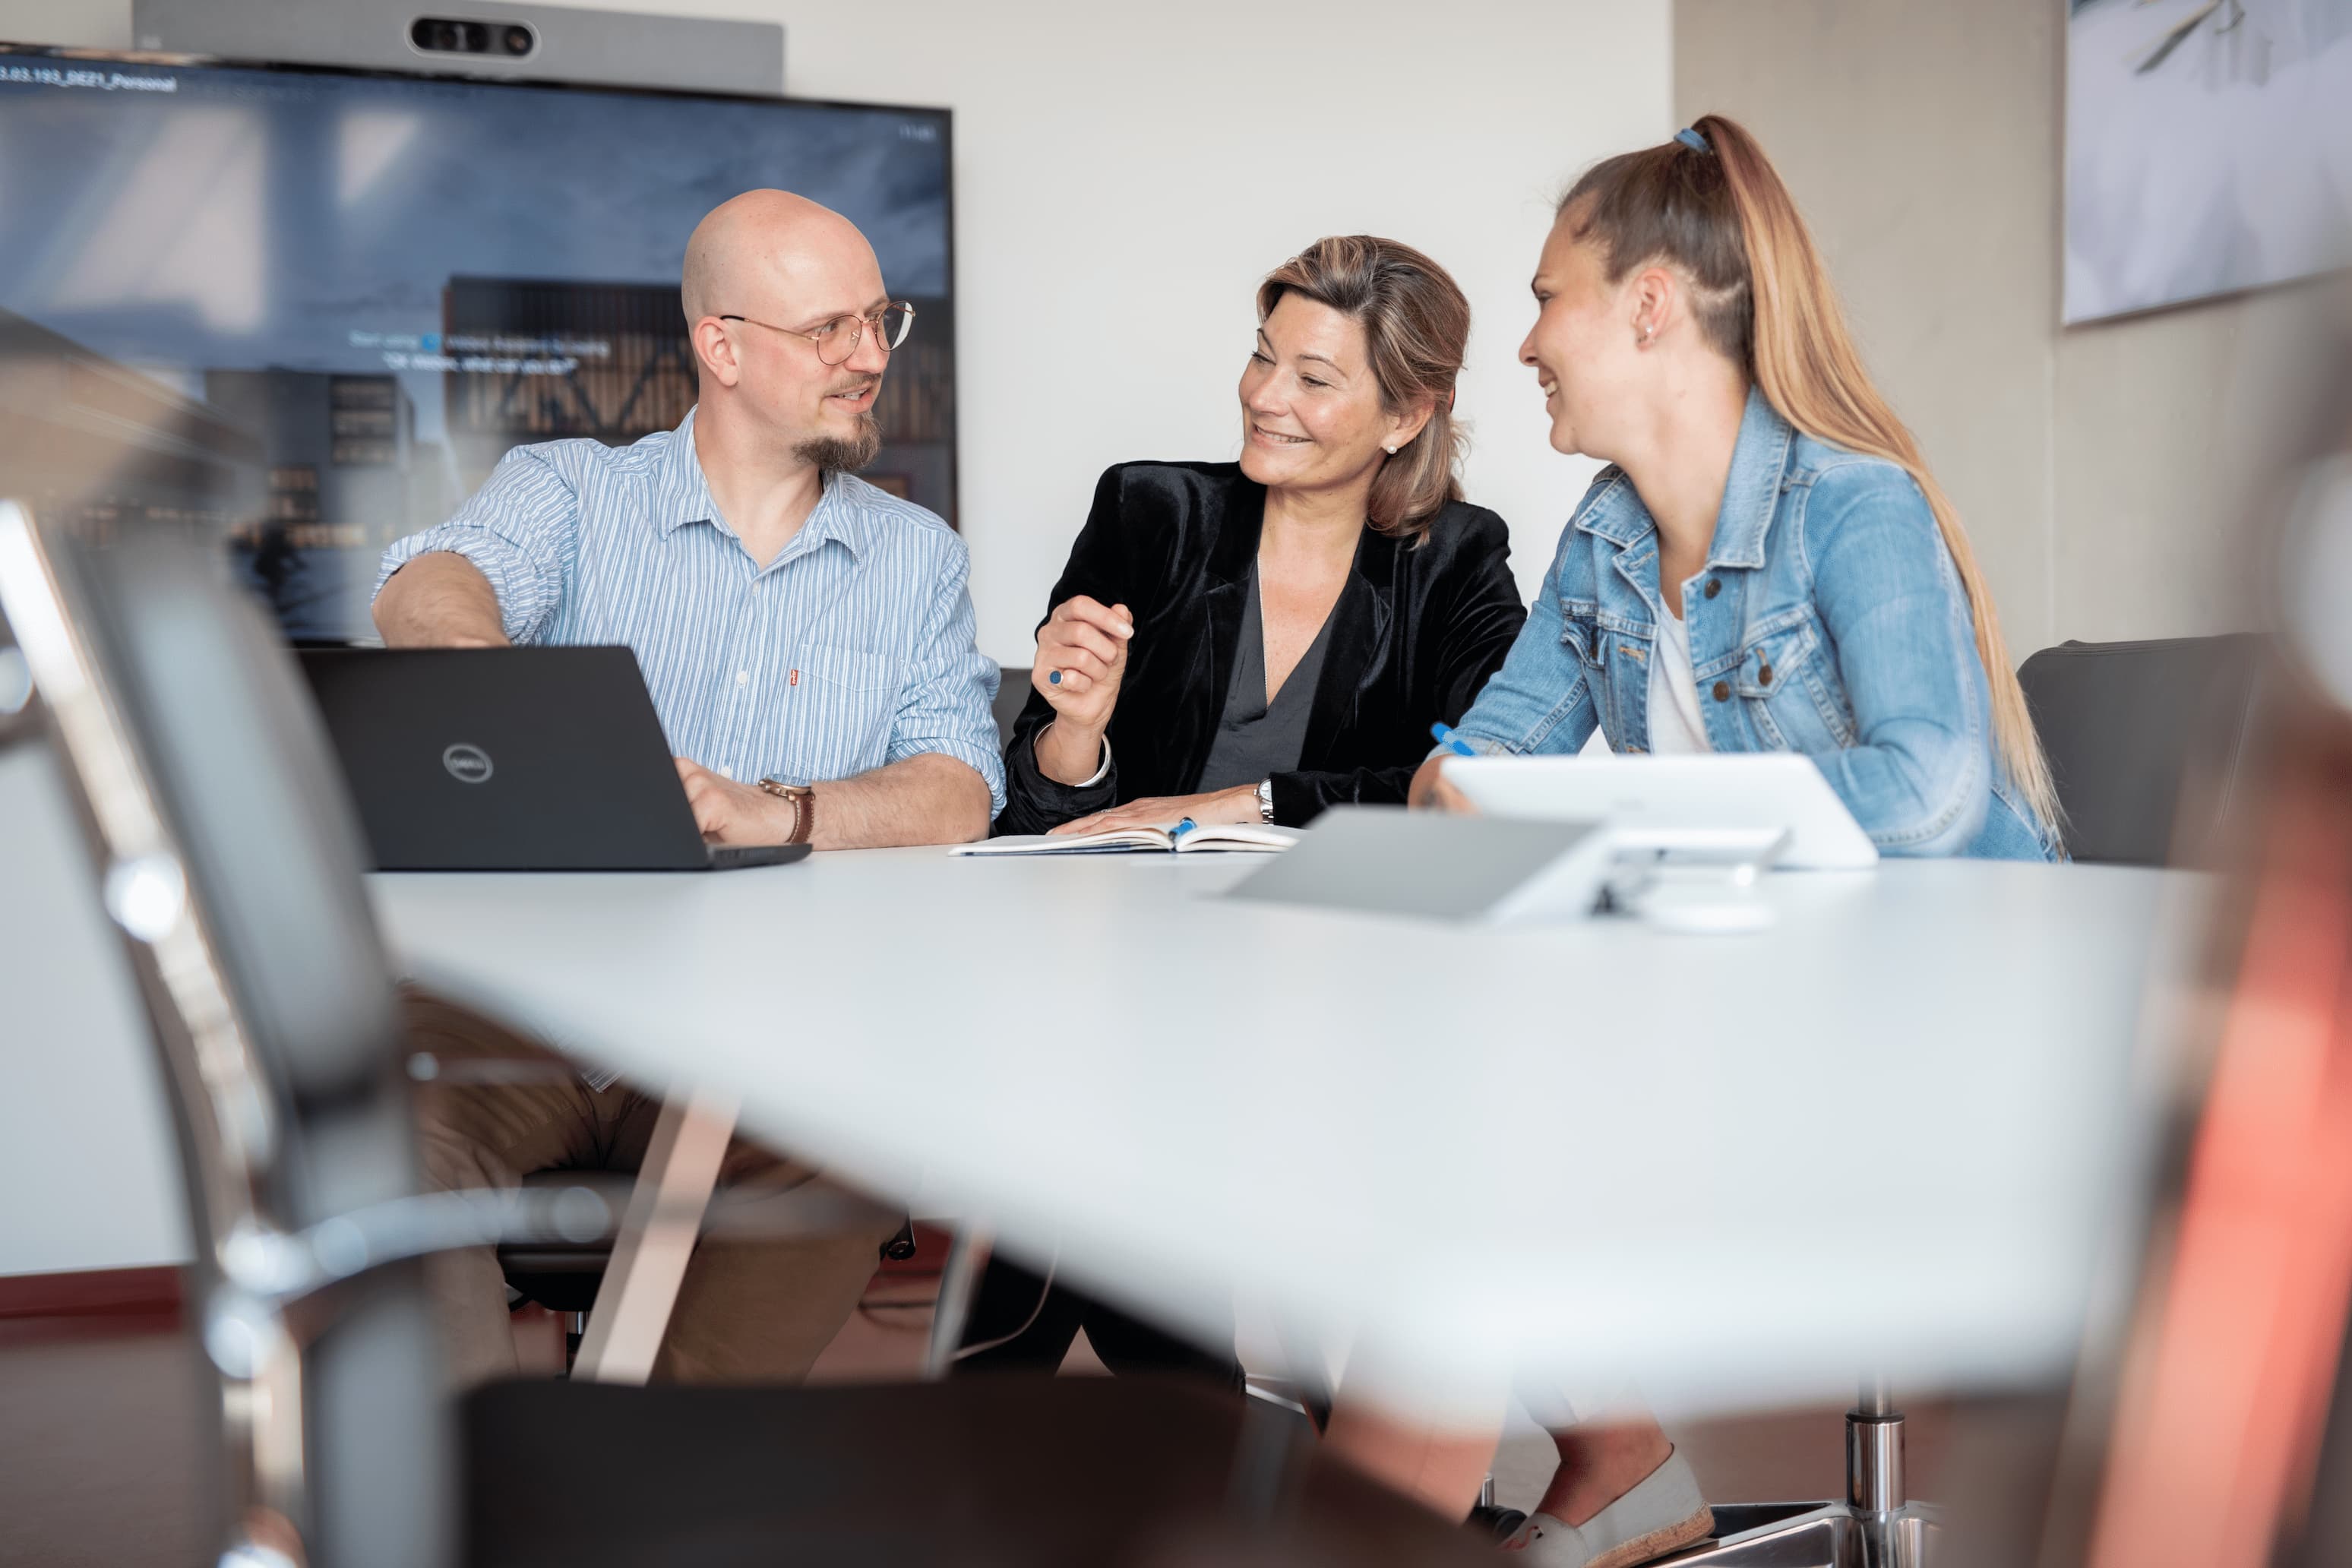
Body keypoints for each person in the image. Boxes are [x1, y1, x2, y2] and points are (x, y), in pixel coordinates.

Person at [1359, 115, 2060, 1563]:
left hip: (1950, 1023)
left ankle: (1535, 1489)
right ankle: (1595, 1471)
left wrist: (1606, 822)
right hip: (1757, 1000)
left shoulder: (1853, 505)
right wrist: (1482, 798)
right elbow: (1475, 763)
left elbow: (1930, 789)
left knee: (1465, 1134)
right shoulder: (1609, 537)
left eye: (1550, 298)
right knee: (1421, 1092)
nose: (1528, 340)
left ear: (1651, 307)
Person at [373, 188, 1005, 1386]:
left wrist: (787, 810)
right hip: (520, 1004)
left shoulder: (918, 556)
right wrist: (506, 704)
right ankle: (461, 1490)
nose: (871, 357)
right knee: (381, 1133)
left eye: (881, 322)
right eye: (830, 329)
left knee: (856, 1135)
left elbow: (959, 785)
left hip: (769, 1020)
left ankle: (647, 1474)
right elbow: (426, 585)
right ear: (722, 344)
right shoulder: (564, 490)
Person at [959, 236, 1526, 1380]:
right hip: (1128, 961)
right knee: (1111, 1111)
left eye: (1315, 379)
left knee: (1108, 1146)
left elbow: (1482, 779)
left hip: (1332, 975)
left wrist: (1249, 797)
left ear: (1407, 414)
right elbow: (1045, 805)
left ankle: (1010, 1400)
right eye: (1263, 358)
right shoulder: (1150, 511)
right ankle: (1233, 1435)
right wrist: (1075, 730)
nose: (1265, 397)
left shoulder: (1459, 562)